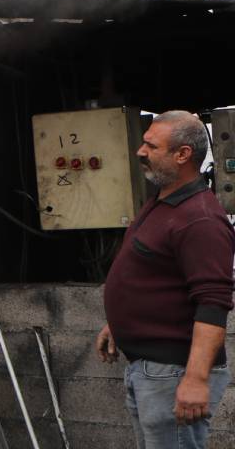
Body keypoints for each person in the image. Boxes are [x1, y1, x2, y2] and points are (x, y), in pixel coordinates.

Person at [98, 110, 235, 449]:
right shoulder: (163, 203)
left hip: (173, 372)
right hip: (151, 369)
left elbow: (213, 303)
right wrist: (120, 322)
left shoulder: (200, 219)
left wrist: (196, 378)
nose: (140, 151)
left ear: (182, 154)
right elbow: (155, 276)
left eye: (150, 145)